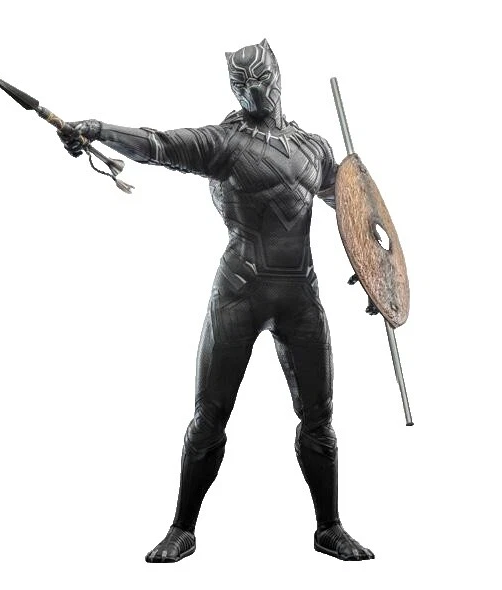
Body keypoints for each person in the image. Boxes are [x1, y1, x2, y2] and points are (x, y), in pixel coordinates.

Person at [58, 39, 374, 562]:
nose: (252, 90)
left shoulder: (315, 148)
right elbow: (158, 145)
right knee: (209, 419)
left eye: (261, 77)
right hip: (239, 293)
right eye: (240, 82)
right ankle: (181, 528)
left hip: (301, 294)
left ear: (278, 74)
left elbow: (354, 212)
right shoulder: (224, 143)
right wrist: (95, 130)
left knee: (319, 420)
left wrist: (373, 274)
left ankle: (330, 528)